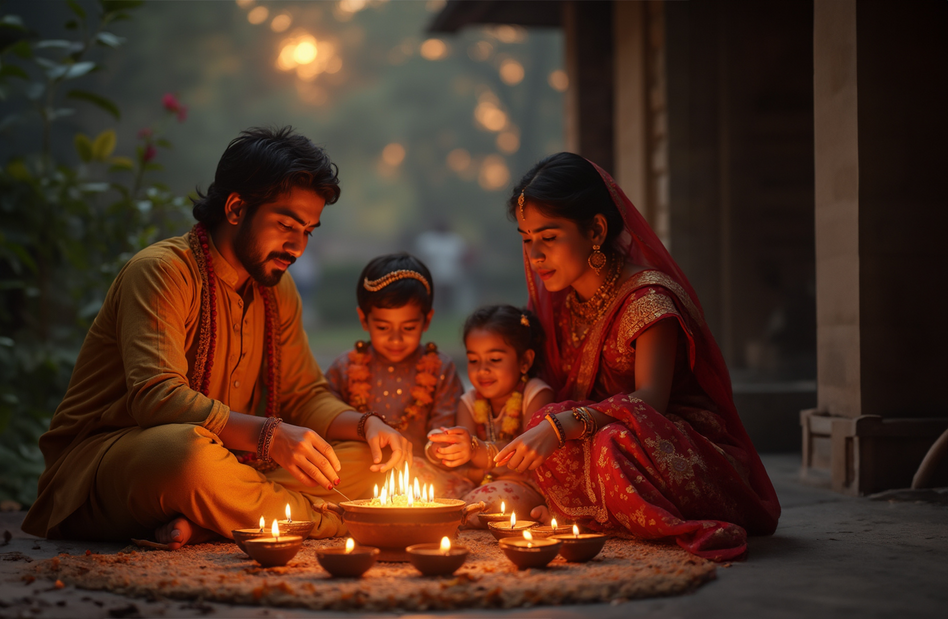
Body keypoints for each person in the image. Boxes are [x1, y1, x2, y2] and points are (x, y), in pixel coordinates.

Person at [21, 127, 411, 548]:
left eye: (308, 231)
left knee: (378, 464)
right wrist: (271, 436)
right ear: (236, 208)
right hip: (118, 462)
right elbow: (156, 396)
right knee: (189, 456)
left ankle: (215, 521)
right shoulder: (162, 271)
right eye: (286, 224)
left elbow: (303, 395)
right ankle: (328, 520)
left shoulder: (277, 290)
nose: (297, 246)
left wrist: (368, 424)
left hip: (238, 467)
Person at [493, 153, 780, 561]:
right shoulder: (562, 302)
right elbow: (552, 394)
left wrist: (564, 426)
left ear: (595, 230)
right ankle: (602, 509)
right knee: (544, 419)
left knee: (607, 440)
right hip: (601, 434)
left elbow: (651, 401)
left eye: (549, 236)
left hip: (674, 445)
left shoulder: (647, 300)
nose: (535, 255)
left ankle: (618, 512)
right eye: (526, 239)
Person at [324, 253, 471, 498]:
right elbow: (327, 418)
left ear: (427, 321)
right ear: (363, 319)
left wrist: (440, 448)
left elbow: (443, 429)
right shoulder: (345, 367)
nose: (395, 339)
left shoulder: (440, 368)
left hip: (419, 470)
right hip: (362, 465)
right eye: (383, 327)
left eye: (409, 328)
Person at [427, 305, 554, 523]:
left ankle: (450, 515)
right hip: (476, 481)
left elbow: (527, 457)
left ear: (524, 361)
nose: (482, 370)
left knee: (484, 502)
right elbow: (464, 465)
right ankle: (448, 512)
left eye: (494, 360)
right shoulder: (469, 402)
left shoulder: (536, 395)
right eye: (474, 360)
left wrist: (476, 450)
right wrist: (441, 449)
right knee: (418, 470)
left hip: (521, 483)